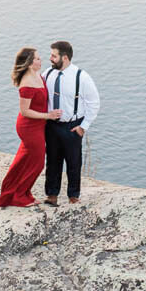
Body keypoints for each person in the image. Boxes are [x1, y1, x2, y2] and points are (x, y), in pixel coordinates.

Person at [0, 47, 61, 208]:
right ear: (30, 63)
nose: (41, 61)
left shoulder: (38, 75)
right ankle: (18, 196)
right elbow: (25, 111)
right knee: (37, 163)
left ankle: (18, 193)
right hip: (29, 127)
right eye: (38, 59)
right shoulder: (26, 83)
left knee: (24, 161)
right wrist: (49, 115)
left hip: (38, 126)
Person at [40, 40, 100, 206]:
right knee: (52, 160)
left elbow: (94, 103)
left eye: (54, 55)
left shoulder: (82, 77)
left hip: (72, 126)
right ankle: (52, 194)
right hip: (52, 126)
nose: (50, 58)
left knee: (74, 162)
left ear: (64, 58)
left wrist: (83, 127)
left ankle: (73, 195)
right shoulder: (48, 74)